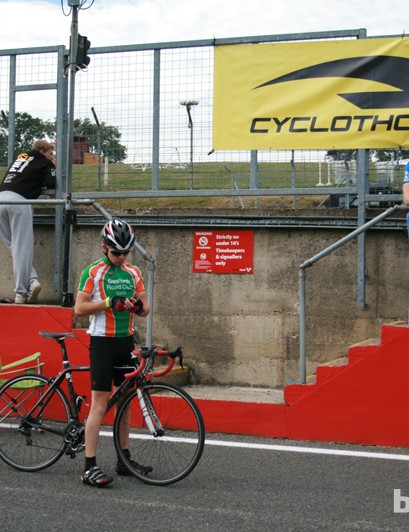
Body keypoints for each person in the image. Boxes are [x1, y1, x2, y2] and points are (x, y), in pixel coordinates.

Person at [74, 217, 151, 487]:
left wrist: (135, 308)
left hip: (125, 342)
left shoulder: (133, 272)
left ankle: (124, 460)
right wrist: (108, 302)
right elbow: (79, 309)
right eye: (116, 252)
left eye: (126, 252)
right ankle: (89, 466)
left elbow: (146, 307)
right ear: (104, 247)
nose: (121, 257)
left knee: (125, 404)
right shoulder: (93, 272)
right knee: (100, 403)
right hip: (102, 343)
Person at [0, 139, 56, 304]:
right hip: (19, 202)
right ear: (43, 151)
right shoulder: (44, 162)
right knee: (22, 248)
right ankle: (21, 293)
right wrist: (52, 166)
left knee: (14, 247)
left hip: (1, 198)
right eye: (50, 153)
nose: (52, 157)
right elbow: (53, 183)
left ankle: (33, 281)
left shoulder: (20, 157)